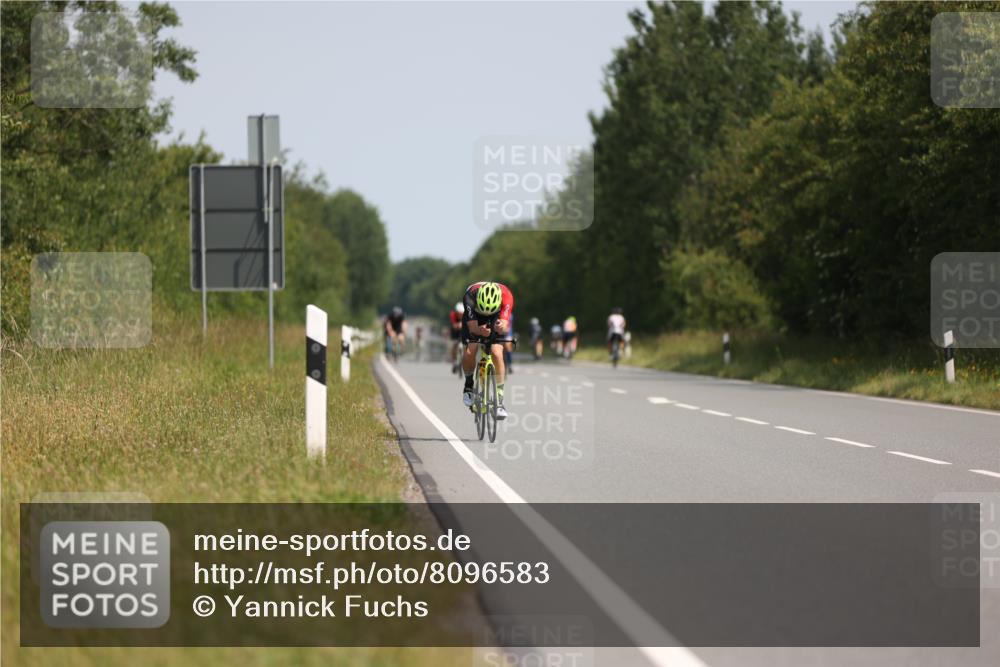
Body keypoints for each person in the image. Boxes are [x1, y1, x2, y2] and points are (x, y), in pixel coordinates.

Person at [460, 281, 514, 419]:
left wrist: (500, 327)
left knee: (497, 352)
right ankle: (468, 385)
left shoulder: (506, 296)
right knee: (471, 349)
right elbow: (472, 328)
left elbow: (505, 324)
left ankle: (500, 401)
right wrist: (480, 331)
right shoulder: (469, 297)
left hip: (496, 315)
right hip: (475, 317)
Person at [448, 302, 464, 373]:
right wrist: (458, 325)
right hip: (455, 331)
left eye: (461, 314)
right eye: (459, 313)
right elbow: (453, 325)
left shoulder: (466, 315)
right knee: (455, 344)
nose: (460, 315)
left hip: (463, 330)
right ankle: (454, 362)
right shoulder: (453, 314)